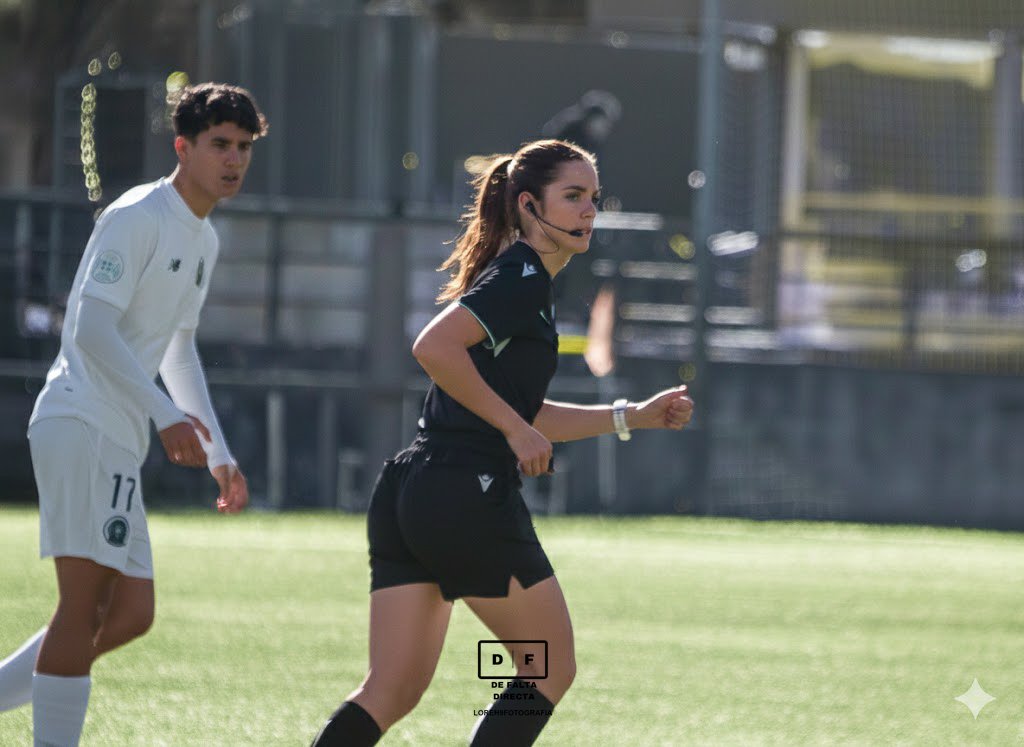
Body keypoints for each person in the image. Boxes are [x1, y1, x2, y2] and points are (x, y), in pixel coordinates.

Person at [310, 139, 693, 746]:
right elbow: (433, 347)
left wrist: (631, 417)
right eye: (572, 197)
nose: (588, 211)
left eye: (593, 198)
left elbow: (523, 411)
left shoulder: (523, 280)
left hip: (416, 490)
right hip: (466, 491)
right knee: (547, 669)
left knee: (391, 691)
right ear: (527, 203)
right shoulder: (519, 276)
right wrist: (515, 430)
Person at [0, 82, 266, 746]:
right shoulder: (139, 214)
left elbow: (178, 349)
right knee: (83, 606)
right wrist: (162, 415)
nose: (232, 159)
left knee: (129, 613)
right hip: (79, 419)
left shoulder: (203, 241)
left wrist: (217, 452)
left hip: (117, 437)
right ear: (183, 146)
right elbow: (89, 328)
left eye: (243, 147)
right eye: (219, 145)